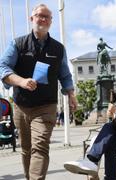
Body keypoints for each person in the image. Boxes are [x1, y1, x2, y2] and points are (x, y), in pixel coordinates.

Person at [0, 4, 77, 180]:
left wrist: (71, 94)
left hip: (46, 106)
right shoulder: (18, 44)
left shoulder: (58, 49)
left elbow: (65, 74)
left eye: (47, 17)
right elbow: (3, 66)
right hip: (21, 105)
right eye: (39, 15)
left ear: (51, 21)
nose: (42, 19)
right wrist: (21, 81)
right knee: (26, 149)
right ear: (31, 18)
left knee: (40, 146)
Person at [64, 74, 116, 180]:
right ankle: (94, 167)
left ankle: (91, 165)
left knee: (106, 139)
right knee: (106, 140)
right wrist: (111, 114)